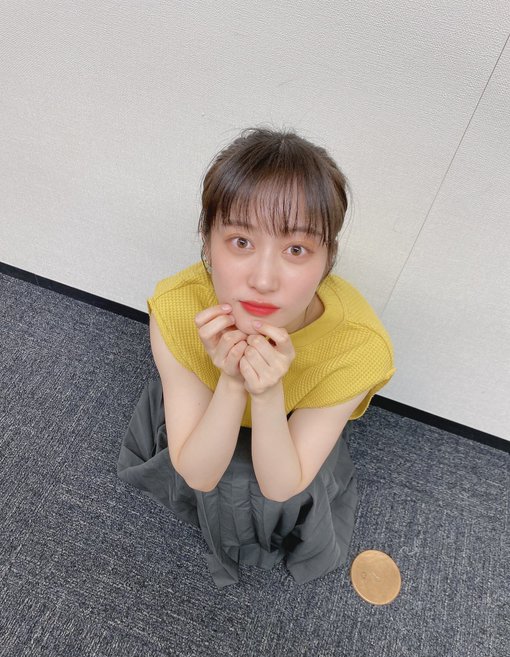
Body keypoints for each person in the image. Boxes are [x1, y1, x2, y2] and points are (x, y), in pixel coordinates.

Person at [117, 127, 396, 588]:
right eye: (241, 242)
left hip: (289, 429)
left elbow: (281, 486)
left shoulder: (357, 348)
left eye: (296, 249)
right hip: (205, 419)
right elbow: (198, 474)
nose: (263, 281)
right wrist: (231, 381)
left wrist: (267, 394)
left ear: (328, 259)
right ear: (207, 241)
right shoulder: (177, 308)